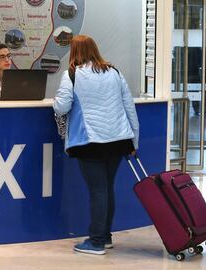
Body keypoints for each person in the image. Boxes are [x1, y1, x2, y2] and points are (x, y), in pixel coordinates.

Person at [53, 35, 139, 255]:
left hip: (89, 141)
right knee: (107, 188)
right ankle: (106, 236)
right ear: (94, 50)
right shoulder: (114, 72)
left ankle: (97, 241)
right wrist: (133, 141)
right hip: (118, 140)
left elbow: (62, 107)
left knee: (98, 191)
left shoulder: (71, 74)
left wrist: (56, 101)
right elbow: (129, 107)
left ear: (74, 52)